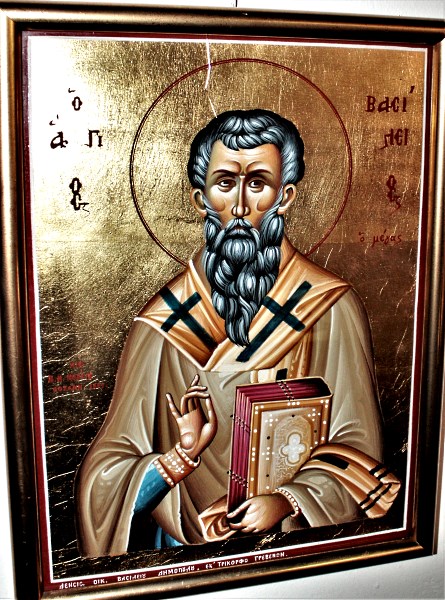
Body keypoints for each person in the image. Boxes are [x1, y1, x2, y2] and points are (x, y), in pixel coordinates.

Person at [75, 109, 399, 557]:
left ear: (285, 196)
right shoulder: (162, 324)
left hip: (292, 551)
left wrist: (287, 500)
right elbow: (105, 476)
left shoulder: (329, 307)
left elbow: (357, 447)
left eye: (258, 183)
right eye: (225, 183)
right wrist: (178, 458)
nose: (241, 206)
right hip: (185, 553)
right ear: (201, 199)